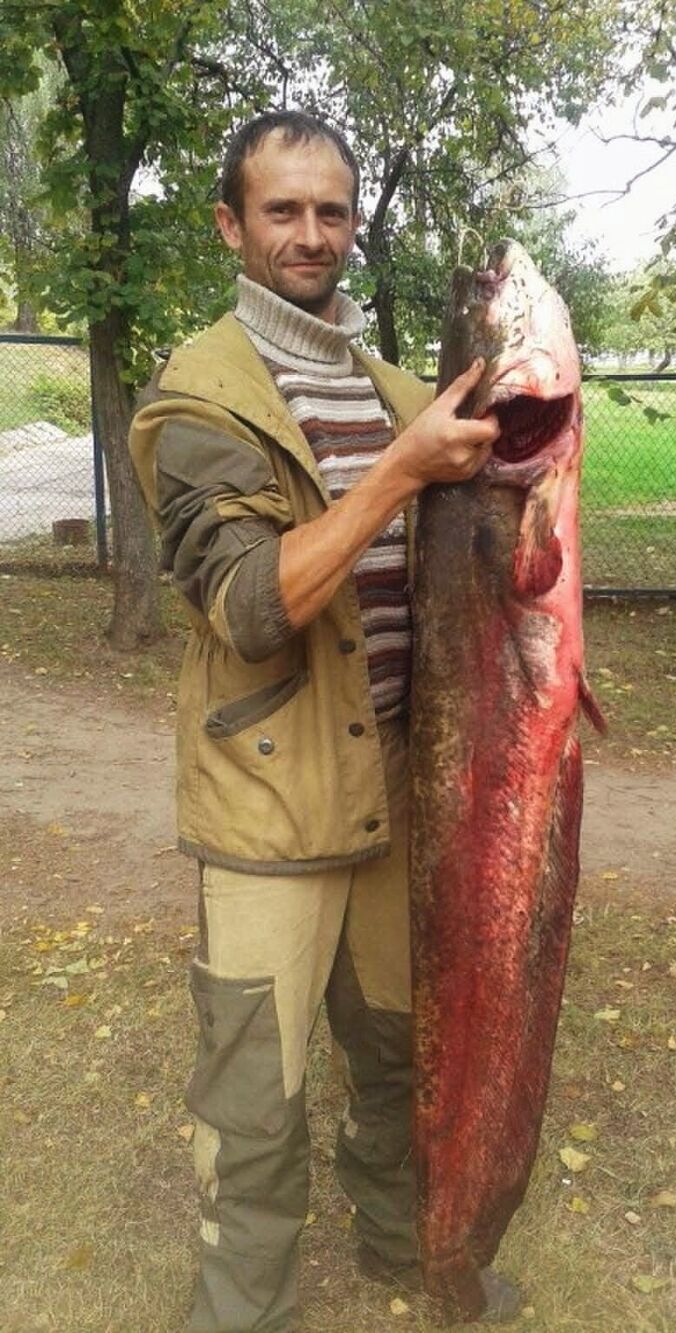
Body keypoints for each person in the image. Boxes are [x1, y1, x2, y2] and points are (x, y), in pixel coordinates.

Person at [129, 111, 519, 1333]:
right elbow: (251, 607)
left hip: (402, 789)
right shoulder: (198, 399)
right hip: (269, 799)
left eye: (331, 210)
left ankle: (405, 1248)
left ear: (355, 224)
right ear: (230, 224)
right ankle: (242, 1313)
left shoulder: (400, 391)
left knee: (400, 1052)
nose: (310, 233)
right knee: (257, 1094)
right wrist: (401, 472)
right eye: (282, 209)